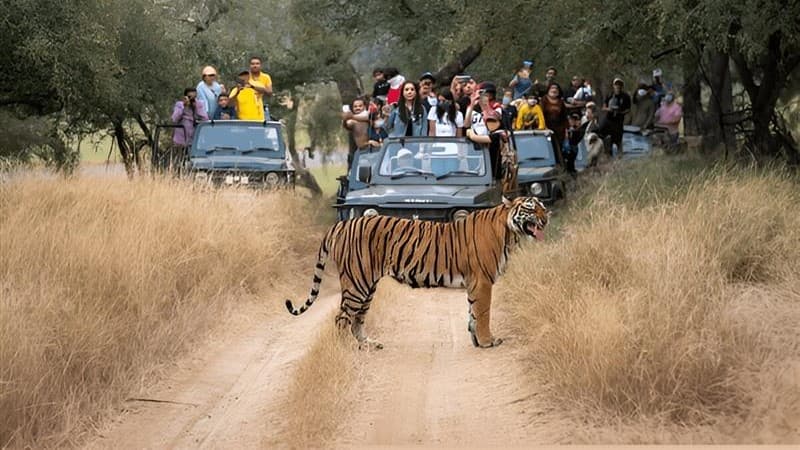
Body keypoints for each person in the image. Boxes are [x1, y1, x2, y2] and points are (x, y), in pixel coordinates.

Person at [466, 108, 509, 182]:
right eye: (488, 121)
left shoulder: (498, 134)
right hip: (490, 169)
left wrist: (471, 131)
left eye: (493, 121)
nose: (491, 124)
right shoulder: (494, 133)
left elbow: (475, 137)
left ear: (499, 122)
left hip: (495, 171)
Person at [600, 78, 632, 158]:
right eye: (616, 85)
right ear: (613, 86)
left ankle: (620, 156)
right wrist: (609, 109)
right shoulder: (609, 95)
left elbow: (628, 109)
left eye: (619, 85)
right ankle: (607, 154)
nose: (618, 86)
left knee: (618, 139)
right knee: (606, 137)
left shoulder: (625, 96)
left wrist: (621, 112)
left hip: (618, 121)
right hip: (609, 119)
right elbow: (603, 107)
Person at [541, 83, 569, 154]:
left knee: (559, 150)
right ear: (548, 90)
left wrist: (566, 131)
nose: (554, 90)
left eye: (556, 88)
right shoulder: (544, 100)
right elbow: (541, 115)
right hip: (546, 128)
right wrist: (545, 127)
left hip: (559, 130)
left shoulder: (560, 102)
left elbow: (564, 117)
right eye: (552, 88)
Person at [342, 97, 370, 168]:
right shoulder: (352, 121)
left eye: (360, 106)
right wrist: (345, 119)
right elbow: (347, 124)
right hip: (362, 152)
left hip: (374, 150)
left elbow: (366, 116)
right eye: (355, 106)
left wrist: (351, 116)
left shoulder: (368, 116)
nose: (358, 108)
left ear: (365, 107)